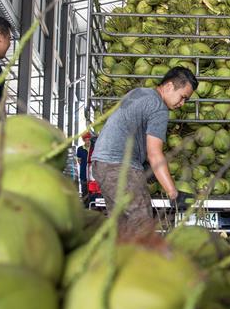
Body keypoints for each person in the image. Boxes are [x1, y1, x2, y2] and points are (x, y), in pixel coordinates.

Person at [91, 67, 197, 236]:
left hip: (102, 164)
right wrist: (173, 194)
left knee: (121, 227)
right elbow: (155, 154)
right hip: (120, 167)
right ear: (169, 86)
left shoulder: (140, 93)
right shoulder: (159, 107)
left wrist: (145, 165)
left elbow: (127, 129)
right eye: (183, 97)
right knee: (142, 224)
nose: (182, 103)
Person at [76, 132, 91, 202]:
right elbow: (79, 161)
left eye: (89, 139)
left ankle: (92, 201)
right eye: (86, 140)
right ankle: (85, 203)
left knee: (92, 189)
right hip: (83, 172)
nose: (88, 141)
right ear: (84, 140)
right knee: (84, 188)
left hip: (92, 173)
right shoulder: (80, 149)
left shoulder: (93, 149)